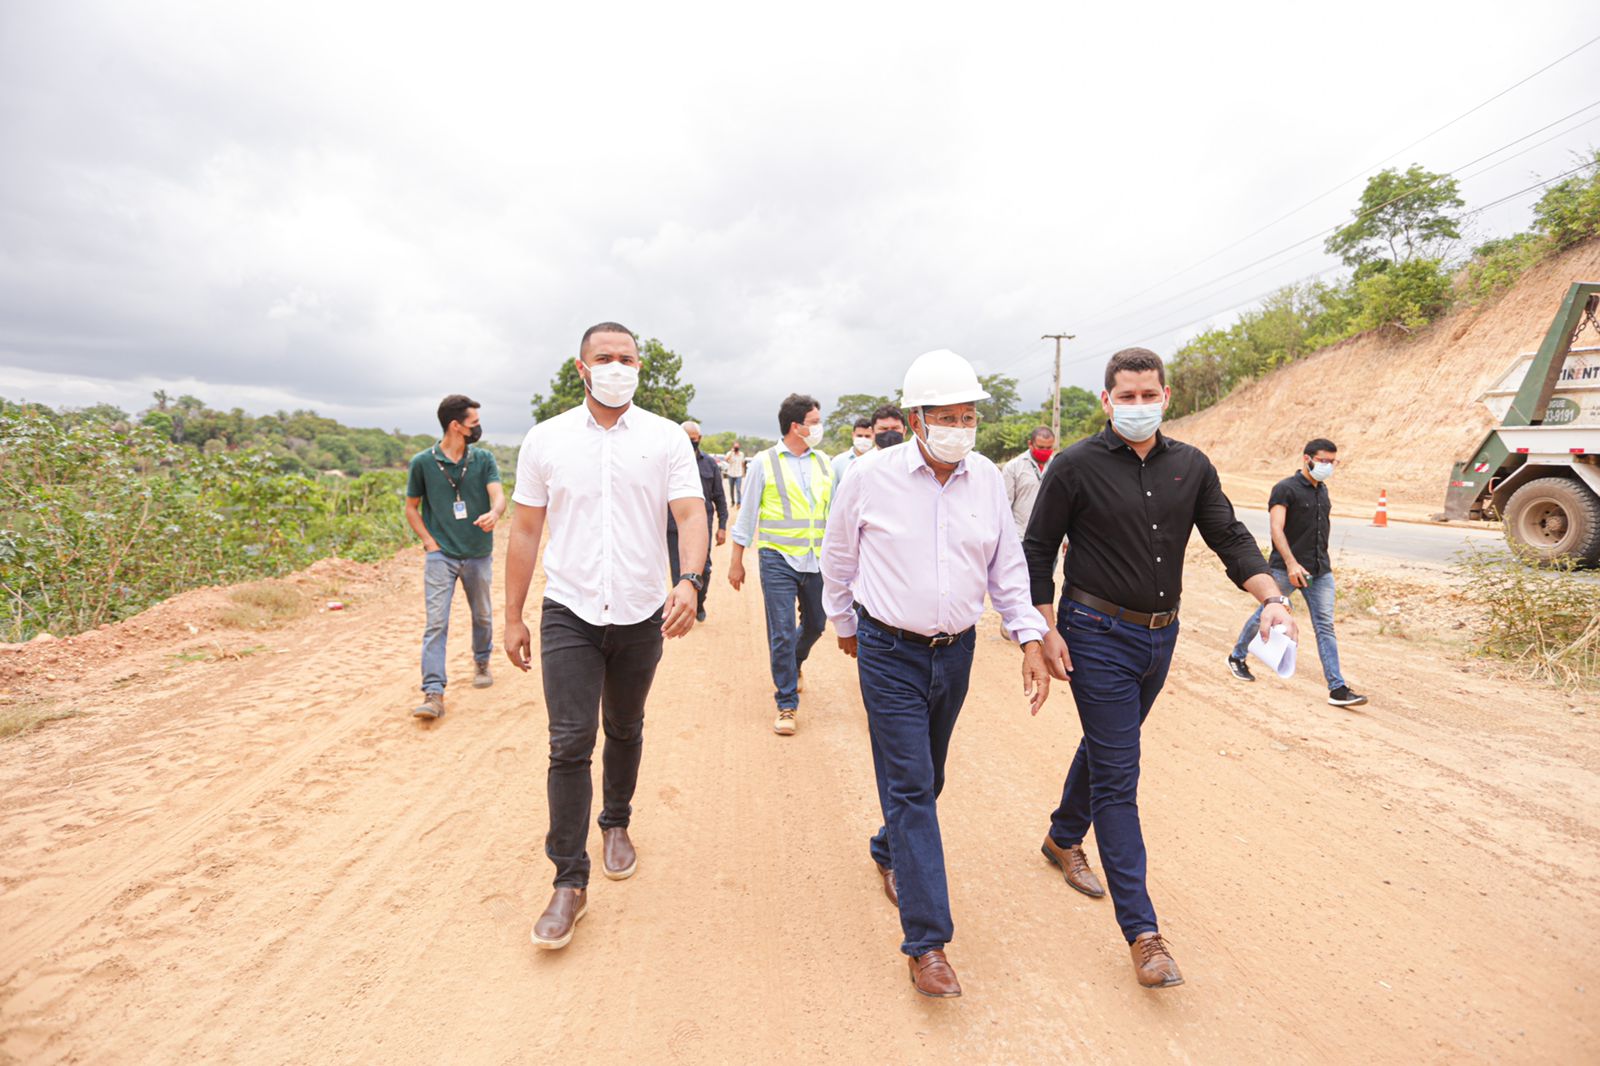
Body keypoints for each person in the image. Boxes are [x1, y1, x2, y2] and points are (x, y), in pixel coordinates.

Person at [1023, 347, 1299, 990]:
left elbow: (1229, 537)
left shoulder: (1191, 467)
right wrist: (1042, 630)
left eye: (1150, 396)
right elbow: (1037, 550)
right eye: (1127, 395)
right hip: (1093, 633)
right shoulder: (1074, 466)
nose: (1139, 406)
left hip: (1160, 638)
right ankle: (1143, 934)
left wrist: (1272, 599)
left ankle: (1063, 837)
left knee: (1109, 746)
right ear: (1107, 399)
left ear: (1166, 397)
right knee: (1121, 776)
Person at [822, 348, 1052, 999]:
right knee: (915, 784)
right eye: (946, 415)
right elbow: (838, 553)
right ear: (918, 419)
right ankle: (927, 942)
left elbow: (1007, 566)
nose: (960, 426)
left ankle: (888, 847)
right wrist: (842, 623)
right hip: (888, 650)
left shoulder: (984, 479)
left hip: (956, 652)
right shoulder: (870, 477)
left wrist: (1029, 636)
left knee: (928, 777)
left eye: (968, 415)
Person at [503, 321, 708, 951]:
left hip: (642, 611)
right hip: (570, 608)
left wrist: (691, 580)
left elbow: (690, 513)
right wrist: (512, 614)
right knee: (568, 742)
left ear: (638, 366)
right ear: (581, 367)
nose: (617, 366)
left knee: (624, 725)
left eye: (627, 358)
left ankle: (615, 822)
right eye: (605, 357)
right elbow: (525, 531)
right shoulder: (546, 440)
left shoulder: (666, 437)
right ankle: (569, 881)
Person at [1228, 439, 1367, 707]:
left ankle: (1337, 688)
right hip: (1285, 568)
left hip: (1319, 572)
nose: (1328, 466)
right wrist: (1291, 563)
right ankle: (1237, 656)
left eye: (1332, 462)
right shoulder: (1285, 489)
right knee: (1264, 615)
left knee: (1325, 626)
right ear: (1307, 459)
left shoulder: (1322, 491)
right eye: (1324, 460)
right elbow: (1276, 529)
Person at [728, 393, 832, 736]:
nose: (819, 427)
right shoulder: (764, 462)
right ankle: (786, 703)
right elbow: (747, 514)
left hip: (815, 558)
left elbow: (833, 515)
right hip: (777, 557)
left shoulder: (824, 463)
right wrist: (736, 562)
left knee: (817, 623)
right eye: (815, 422)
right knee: (782, 631)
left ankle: (795, 662)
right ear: (795, 426)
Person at [404, 394, 506, 721]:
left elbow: (499, 496)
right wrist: (429, 542)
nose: (478, 428)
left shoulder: (484, 459)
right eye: (473, 423)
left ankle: (481, 661)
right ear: (456, 426)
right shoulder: (423, 462)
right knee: (436, 622)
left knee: (483, 615)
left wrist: (495, 513)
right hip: (441, 556)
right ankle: (433, 693)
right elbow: (411, 507)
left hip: (478, 553)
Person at [667, 420, 729, 623]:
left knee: (705, 569)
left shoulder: (709, 464)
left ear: (699, 439)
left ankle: (699, 601)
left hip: (702, 527)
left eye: (693, 440)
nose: (690, 443)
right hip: (673, 526)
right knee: (679, 571)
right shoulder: (669, 462)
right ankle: (681, 612)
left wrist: (722, 526)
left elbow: (719, 497)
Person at [833, 404, 906, 495]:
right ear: (873, 432)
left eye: (895, 428)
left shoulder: (917, 464)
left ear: (904, 431)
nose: (889, 433)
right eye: (883, 429)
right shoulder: (859, 467)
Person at [724, 442, 747, 506]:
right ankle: (732, 501)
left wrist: (744, 472)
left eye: (737, 447)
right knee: (731, 489)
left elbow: (743, 463)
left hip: (738, 474)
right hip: (731, 474)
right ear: (733, 447)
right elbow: (726, 459)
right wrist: (731, 452)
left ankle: (739, 502)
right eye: (735, 447)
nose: (736, 448)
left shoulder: (741, 454)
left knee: (738, 489)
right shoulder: (729, 453)